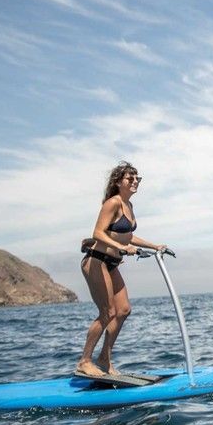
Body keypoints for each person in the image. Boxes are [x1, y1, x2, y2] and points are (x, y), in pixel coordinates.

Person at [76, 162, 170, 379]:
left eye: (138, 178)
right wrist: (122, 248)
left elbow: (127, 236)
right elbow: (98, 233)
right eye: (130, 178)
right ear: (118, 182)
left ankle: (104, 359)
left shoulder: (129, 205)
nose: (135, 181)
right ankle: (84, 362)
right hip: (96, 261)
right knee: (107, 312)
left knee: (124, 310)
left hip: (111, 263)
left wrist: (154, 246)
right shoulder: (113, 203)